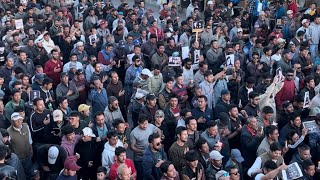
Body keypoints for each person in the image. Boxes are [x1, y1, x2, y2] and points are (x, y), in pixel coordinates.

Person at [130, 115, 160, 180]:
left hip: (151, 156)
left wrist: (159, 139)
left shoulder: (151, 126)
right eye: (142, 124)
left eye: (146, 123)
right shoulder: (134, 133)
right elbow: (132, 147)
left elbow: (158, 130)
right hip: (140, 158)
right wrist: (140, 151)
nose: (145, 126)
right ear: (138, 122)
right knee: (141, 175)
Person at [7, 112, 33, 179]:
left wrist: (31, 149)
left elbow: (29, 139)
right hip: (18, 159)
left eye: (20, 119)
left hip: (28, 155)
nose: (19, 122)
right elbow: (8, 147)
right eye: (16, 121)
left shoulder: (26, 126)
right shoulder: (8, 131)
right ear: (12, 122)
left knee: (29, 172)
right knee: (20, 175)